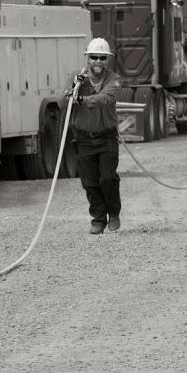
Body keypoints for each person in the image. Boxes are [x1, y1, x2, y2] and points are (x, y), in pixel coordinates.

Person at [68, 37, 124, 234]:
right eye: (94, 57)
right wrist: (72, 92)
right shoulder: (77, 78)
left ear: (107, 60)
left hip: (107, 137)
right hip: (83, 138)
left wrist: (82, 98)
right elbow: (65, 99)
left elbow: (104, 98)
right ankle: (98, 219)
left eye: (102, 58)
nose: (98, 61)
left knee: (107, 178)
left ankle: (114, 213)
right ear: (88, 59)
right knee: (89, 182)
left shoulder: (115, 80)